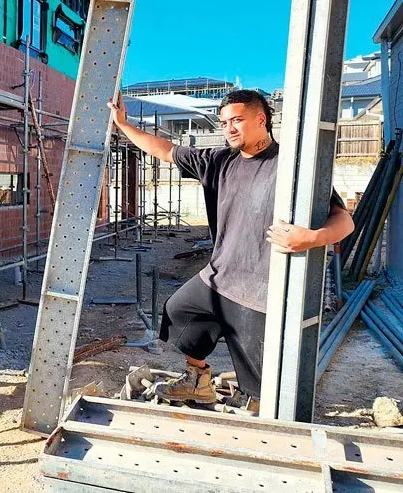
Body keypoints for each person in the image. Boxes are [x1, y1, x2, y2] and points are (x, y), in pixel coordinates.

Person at [108, 89, 354, 410]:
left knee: (260, 387)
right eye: (224, 122)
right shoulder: (220, 161)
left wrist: (310, 238)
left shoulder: (292, 168)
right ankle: (198, 381)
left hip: (261, 289)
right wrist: (124, 125)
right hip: (219, 276)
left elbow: (344, 221)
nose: (229, 128)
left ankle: (255, 404)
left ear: (261, 120)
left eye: (237, 120)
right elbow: (166, 150)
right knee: (176, 313)